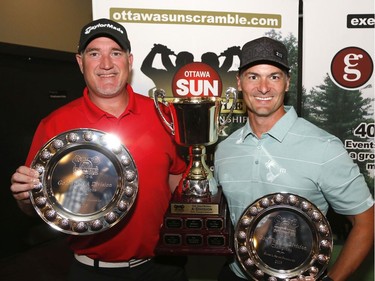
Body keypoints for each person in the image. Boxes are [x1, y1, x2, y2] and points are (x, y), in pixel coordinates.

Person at [10, 18, 188, 281]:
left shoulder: (163, 114)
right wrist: (24, 197)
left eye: (115, 53)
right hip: (92, 272)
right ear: (81, 62)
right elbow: (39, 205)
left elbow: (176, 178)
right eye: (95, 53)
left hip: (163, 267)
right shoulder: (54, 125)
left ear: (129, 60)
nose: (106, 64)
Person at [214, 36, 374, 281]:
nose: (264, 87)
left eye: (274, 77)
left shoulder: (324, 147)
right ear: (239, 82)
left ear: (287, 83)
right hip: (235, 275)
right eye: (253, 76)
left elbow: (366, 222)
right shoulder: (225, 150)